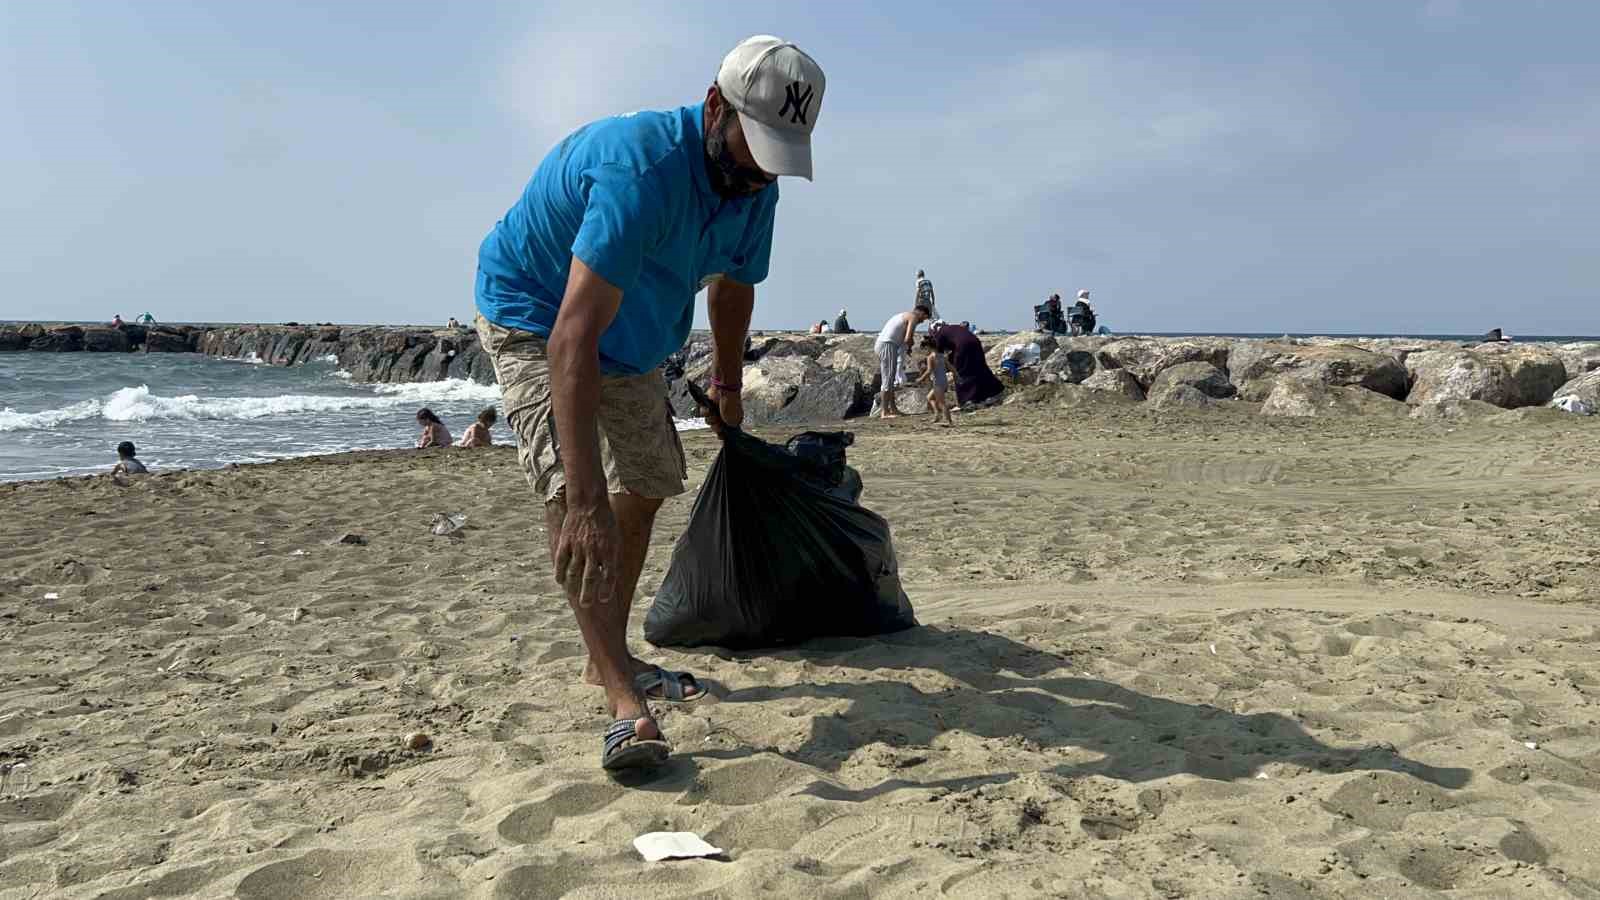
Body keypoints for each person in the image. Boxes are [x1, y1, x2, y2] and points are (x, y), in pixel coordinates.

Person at [472, 35, 826, 772]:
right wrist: (585, 503)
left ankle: (609, 654)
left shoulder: (756, 188)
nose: (759, 173)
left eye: (776, 159)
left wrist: (728, 389)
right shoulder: (641, 173)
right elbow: (570, 340)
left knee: (655, 479)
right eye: (751, 148)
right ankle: (618, 692)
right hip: (535, 316)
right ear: (712, 107)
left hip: (631, 333)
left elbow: (734, 284)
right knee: (576, 494)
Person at [874, 304, 931, 418]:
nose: (922, 321)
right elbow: (908, 338)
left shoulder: (904, 315)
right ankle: (884, 412)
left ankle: (893, 409)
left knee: (890, 379)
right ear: (921, 313)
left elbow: (904, 336)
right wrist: (911, 345)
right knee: (888, 379)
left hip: (886, 344)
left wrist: (908, 347)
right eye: (924, 318)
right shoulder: (913, 317)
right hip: (887, 345)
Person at [931, 321, 1004, 408]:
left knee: (961, 372)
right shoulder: (953, 328)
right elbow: (954, 349)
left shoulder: (939, 334)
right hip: (975, 342)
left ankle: (967, 401)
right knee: (980, 368)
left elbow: (939, 355)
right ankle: (995, 392)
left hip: (964, 346)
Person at [915, 335, 954, 426]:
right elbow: (950, 367)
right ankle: (937, 415)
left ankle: (949, 421)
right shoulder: (942, 356)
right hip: (944, 381)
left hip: (938, 382)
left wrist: (920, 379)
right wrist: (957, 375)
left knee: (941, 402)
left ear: (928, 347)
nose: (925, 351)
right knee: (929, 397)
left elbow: (929, 371)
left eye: (924, 349)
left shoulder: (930, 357)